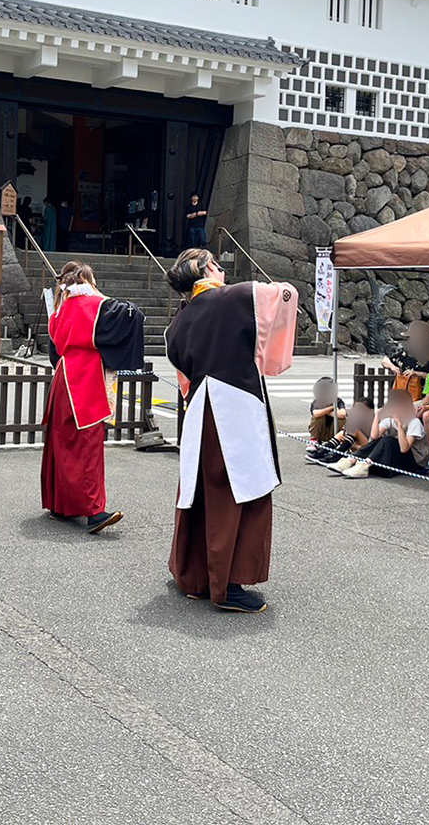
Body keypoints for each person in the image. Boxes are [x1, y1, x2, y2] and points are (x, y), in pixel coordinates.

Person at [165, 248, 297, 614]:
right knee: (239, 492)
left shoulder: (177, 322)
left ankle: (194, 577)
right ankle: (229, 584)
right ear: (207, 267)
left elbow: (183, 380)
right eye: (218, 265)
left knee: (198, 491)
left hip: (198, 411)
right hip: (235, 405)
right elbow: (285, 296)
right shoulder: (238, 296)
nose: (223, 270)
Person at [40, 261, 144, 534]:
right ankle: (94, 511)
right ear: (87, 280)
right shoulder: (95, 305)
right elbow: (131, 314)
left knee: (62, 443)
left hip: (63, 376)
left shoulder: (60, 310)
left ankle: (59, 504)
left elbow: (54, 350)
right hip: (84, 378)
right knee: (88, 444)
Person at [337, 388, 425, 479]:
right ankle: (352, 460)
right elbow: (374, 437)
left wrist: (399, 425)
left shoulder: (414, 422)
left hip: (415, 464)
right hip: (396, 459)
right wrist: (378, 414)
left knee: (388, 440)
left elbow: (404, 448)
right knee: (379, 440)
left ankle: (364, 464)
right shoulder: (390, 420)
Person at [311, 399, 374, 466]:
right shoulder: (355, 417)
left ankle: (336, 454)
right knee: (342, 432)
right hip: (355, 445)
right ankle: (323, 451)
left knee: (354, 430)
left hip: (368, 448)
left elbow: (373, 441)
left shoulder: (373, 420)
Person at [308, 377, 346, 448]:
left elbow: (342, 414)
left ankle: (339, 441)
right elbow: (316, 414)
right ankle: (314, 440)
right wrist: (332, 408)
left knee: (342, 419)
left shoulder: (338, 401)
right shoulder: (317, 402)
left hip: (334, 432)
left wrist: (324, 412)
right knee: (317, 417)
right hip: (321, 431)